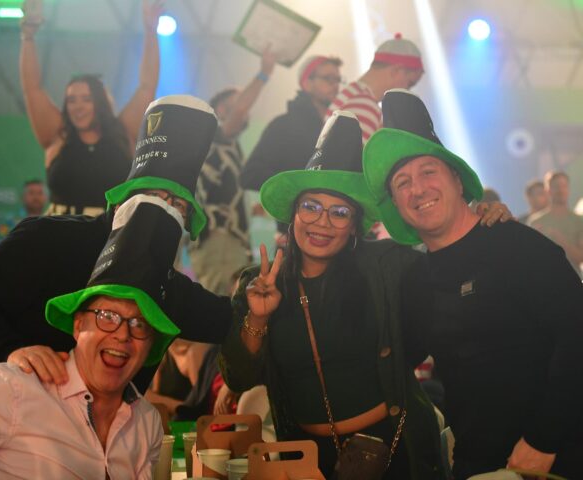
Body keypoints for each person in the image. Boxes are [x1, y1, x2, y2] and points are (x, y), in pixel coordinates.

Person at [0, 96, 231, 397]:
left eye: (178, 207)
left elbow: (233, 318)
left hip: (74, 429)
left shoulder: (168, 288)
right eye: (154, 198)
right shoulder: (49, 238)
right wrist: (11, 351)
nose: (165, 211)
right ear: (121, 202)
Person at [362, 89, 583, 479]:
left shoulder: (518, 245)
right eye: (402, 182)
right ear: (396, 203)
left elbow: (577, 336)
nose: (418, 189)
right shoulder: (415, 279)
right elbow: (391, 358)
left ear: (457, 180)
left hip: (553, 459)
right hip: (475, 463)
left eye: (428, 171)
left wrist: (543, 441)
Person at [219, 111, 445, 479]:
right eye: (310, 207)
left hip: (393, 448)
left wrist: (482, 221)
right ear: (293, 215)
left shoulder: (385, 265)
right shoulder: (259, 282)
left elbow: (446, 259)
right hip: (307, 460)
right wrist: (258, 316)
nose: (322, 222)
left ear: (355, 225)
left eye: (339, 212)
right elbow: (238, 378)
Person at [0, 185, 189, 478]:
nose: (123, 334)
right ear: (78, 324)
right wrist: (7, 349)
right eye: (107, 317)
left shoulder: (146, 423)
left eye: (139, 325)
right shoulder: (16, 391)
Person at [19, 0, 161, 215]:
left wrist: (151, 30)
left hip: (110, 231)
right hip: (60, 230)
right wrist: (28, 37)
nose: (78, 107)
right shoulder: (58, 135)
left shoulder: (123, 132)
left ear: (100, 102)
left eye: (86, 99)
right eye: (71, 100)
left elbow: (147, 86)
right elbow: (32, 88)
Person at [188, 49, 276, 295]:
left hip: (229, 238)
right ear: (220, 108)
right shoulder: (214, 134)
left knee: (235, 303)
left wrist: (249, 211)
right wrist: (264, 73)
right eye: (237, 104)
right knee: (223, 301)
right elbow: (239, 111)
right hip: (219, 236)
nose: (244, 111)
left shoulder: (228, 147)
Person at [241, 55, 343, 190]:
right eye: (328, 78)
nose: (335, 85)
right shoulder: (283, 125)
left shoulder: (338, 129)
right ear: (307, 84)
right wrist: (298, 187)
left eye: (338, 80)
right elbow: (250, 175)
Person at [327, 33, 424, 143]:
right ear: (396, 71)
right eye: (410, 83)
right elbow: (355, 154)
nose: (407, 90)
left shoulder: (352, 93)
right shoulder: (365, 104)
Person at [528, 170, 583, 277]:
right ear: (547, 190)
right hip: (546, 280)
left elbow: (581, 258)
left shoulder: (579, 221)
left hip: (574, 281)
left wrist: (559, 239)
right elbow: (531, 259)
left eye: (564, 186)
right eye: (556, 186)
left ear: (568, 188)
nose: (560, 190)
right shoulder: (535, 221)